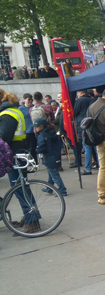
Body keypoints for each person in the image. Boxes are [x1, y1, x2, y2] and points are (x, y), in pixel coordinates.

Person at [0, 91, 40, 233]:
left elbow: (3, 137)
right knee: (20, 187)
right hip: (17, 151)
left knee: (19, 188)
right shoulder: (12, 111)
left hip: (13, 153)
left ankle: (32, 219)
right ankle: (29, 216)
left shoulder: (7, 114)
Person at [34, 119, 67, 196]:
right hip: (55, 155)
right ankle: (49, 188)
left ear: (41, 127)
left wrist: (35, 151)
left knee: (54, 174)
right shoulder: (52, 132)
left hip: (49, 157)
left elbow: (42, 148)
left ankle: (62, 190)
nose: (35, 128)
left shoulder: (42, 135)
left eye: (37, 127)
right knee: (51, 173)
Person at [73, 89, 96, 173]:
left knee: (87, 147)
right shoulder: (91, 100)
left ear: (81, 93)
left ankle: (87, 168)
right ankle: (100, 165)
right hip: (91, 125)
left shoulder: (79, 101)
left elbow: (74, 112)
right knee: (95, 147)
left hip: (82, 125)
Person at [19, 93, 36, 161]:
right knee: (26, 148)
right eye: (28, 100)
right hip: (25, 131)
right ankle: (28, 162)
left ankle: (35, 162)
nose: (30, 101)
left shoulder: (34, 107)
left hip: (33, 130)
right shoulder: (21, 109)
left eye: (31, 100)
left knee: (33, 148)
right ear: (24, 100)